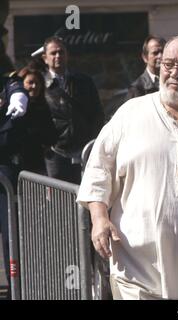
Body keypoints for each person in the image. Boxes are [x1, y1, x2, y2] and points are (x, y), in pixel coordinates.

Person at [76, 34, 178, 300]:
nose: (174, 73)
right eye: (168, 64)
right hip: (136, 265)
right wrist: (99, 218)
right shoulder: (130, 113)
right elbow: (99, 169)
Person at [42, 36, 104, 184]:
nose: (58, 56)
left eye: (61, 52)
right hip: (55, 153)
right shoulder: (40, 85)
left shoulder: (84, 81)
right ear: (45, 58)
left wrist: (93, 141)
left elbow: (97, 113)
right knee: (59, 200)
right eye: (53, 53)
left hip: (84, 151)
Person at [0, 69, 28, 295]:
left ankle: (14, 290)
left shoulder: (8, 82)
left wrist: (18, 94)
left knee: (11, 238)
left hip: (4, 175)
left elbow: (15, 85)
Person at [17, 66, 57, 174]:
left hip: (38, 164)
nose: (34, 86)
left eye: (37, 83)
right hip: (17, 164)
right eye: (30, 82)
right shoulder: (14, 110)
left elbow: (51, 137)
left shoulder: (44, 108)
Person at [125, 35, 166, 101]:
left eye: (163, 52)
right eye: (155, 53)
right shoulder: (136, 89)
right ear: (145, 57)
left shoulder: (174, 82)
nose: (160, 56)